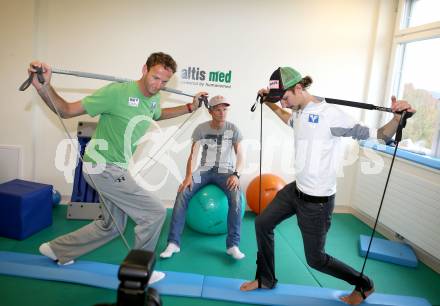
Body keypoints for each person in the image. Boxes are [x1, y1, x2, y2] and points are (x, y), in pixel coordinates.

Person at [240, 67, 416, 305]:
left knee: (316, 259)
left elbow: (379, 135)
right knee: (262, 222)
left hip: (317, 202)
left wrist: (397, 117)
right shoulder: (298, 111)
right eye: (280, 99)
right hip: (295, 190)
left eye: (285, 97)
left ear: (299, 88)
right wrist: (270, 103)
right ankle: (266, 278)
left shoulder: (330, 115)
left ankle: (364, 284)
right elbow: (287, 118)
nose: (284, 102)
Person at [28, 52, 207, 284]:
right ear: (144, 69)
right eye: (155, 78)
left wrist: (190, 107)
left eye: (164, 81)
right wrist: (44, 87)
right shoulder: (116, 93)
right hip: (102, 167)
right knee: (155, 212)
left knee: (111, 226)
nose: (158, 85)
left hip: (115, 168)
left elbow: (158, 113)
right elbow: (66, 110)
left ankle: (57, 250)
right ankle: (141, 270)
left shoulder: (153, 98)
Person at [160, 95, 245, 260]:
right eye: (218, 109)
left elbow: (241, 155)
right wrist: (188, 177)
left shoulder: (233, 129)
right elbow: (193, 154)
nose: (222, 113)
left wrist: (236, 174)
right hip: (204, 171)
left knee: (236, 197)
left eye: (225, 109)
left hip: (225, 172)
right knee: (183, 192)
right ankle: (173, 243)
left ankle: (233, 245)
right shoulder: (201, 129)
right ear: (210, 111)